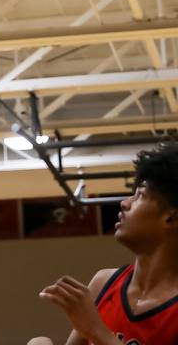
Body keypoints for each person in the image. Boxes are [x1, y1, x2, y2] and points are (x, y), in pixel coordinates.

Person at [32, 142, 178, 345]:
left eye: (140, 196)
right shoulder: (103, 282)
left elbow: (97, 331)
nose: (124, 203)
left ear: (171, 218)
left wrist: (97, 331)